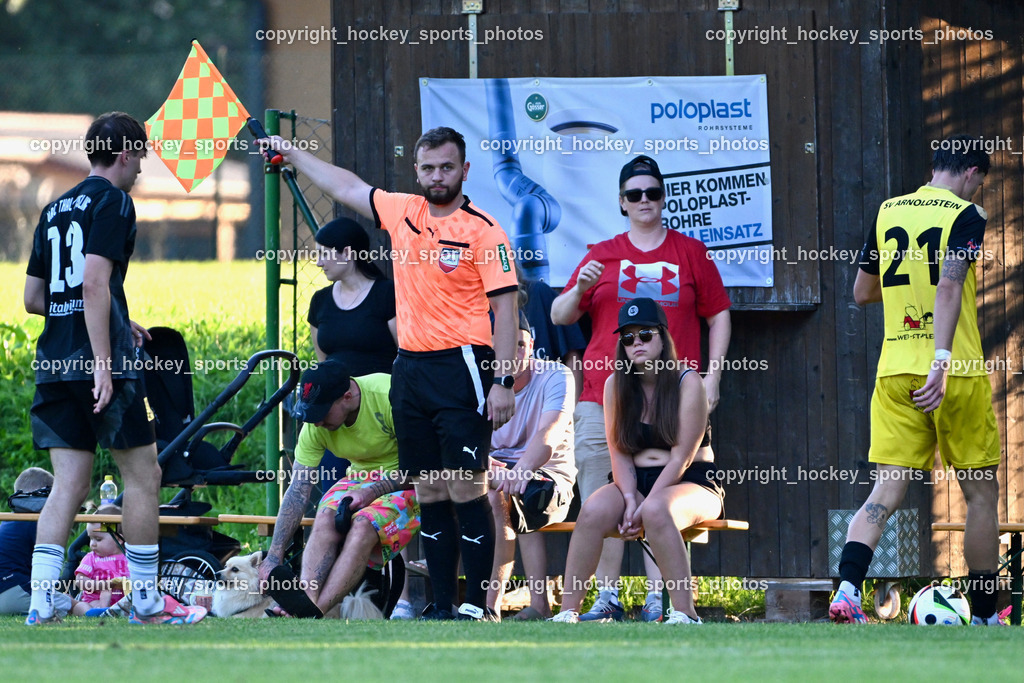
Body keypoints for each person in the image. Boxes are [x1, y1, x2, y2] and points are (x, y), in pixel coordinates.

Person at [264, 126, 519, 620]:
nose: (437, 176)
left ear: (464, 170)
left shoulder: (485, 230)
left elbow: (506, 312)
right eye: (428, 168)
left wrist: (503, 382)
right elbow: (346, 186)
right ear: (417, 171)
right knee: (428, 488)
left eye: (447, 167)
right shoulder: (404, 211)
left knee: (466, 486)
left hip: (463, 364)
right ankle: (441, 605)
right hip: (410, 369)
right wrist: (293, 153)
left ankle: (476, 606)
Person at [23, 112, 205, 625]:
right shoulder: (115, 201)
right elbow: (94, 284)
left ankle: (42, 602)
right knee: (145, 476)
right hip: (102, 369)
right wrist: (105, 363)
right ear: (126, 153)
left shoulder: (55, 207)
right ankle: (146, 601)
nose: (142, 168)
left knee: (67, 486)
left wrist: (120, 321)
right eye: (142, 156)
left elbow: (35, 298)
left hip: (55, 364)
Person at [550, 155, 731, 621]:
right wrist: (577, 289)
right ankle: (601, 599)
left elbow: (719, 313)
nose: (644, 200)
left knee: (659, 509)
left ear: (664, 197)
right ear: (621, 202)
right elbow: (560, 316)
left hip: (671, 396)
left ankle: (665, 603)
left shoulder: (691, 251)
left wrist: (713, 375)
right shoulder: (600, 253)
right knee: (599, 499)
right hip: (602, 395)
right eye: (635, 194)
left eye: (652, 192)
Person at [832, 135, 1003, 626]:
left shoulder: (889, 211)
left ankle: (847, 590)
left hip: (895, 369)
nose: (979, 193)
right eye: (981, 184)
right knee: (980, 494)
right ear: (972, 173)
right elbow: (949, 284)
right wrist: (942, 360)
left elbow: (863, 291)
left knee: (884, 490)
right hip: (954, 372)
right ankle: (988, 617)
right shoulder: (966, 215)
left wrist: (910, 300)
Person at [550, 298, 725, 624]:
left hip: (690, 480)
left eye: (645, 335)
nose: (636, 344)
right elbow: (619, 452)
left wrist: (645, 505)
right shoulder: (615, 385)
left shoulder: (688, 382)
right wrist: (630, 499)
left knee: (658, 510)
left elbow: (682, 457)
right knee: (592, 509)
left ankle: (686, 614)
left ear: (662, 337)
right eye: (628, 338)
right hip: (633, 480)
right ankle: (567, 613)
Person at [259, 359, 418, 617]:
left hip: (410, 480)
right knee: (324, 517)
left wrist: (372, 492)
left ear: (347, 396)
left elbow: (423, 467)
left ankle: (314, 612)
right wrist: (273, 556)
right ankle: (305, 599)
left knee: (364, 524)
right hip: (358, 478)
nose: (317, 423)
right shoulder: (315, 424)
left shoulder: (389, 395)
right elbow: (298, 489)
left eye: (321, 413)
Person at [486, 313, 576, 620]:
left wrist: (517, 473)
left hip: (549, 478)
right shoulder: (480, 381)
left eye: (521, 344)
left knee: (503, 495)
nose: (514, 353)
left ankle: (489, 608)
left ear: (532, 344)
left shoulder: (556, 375)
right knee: (443, 488)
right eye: (506, 345)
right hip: (496, 475)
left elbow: (547, 436)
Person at [308, 216, 397, 369]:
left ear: (347, 253)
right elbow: (322, 366)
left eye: (324, 254)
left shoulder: (387, 294)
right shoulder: (320, 300)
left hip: (380, 391)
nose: (319, 263)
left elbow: (406, 358)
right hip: (336, 392)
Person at [0, 468, 65, 616]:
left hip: (7, 589)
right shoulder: (36, 522)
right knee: (67, 602)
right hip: (13, 593)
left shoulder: (10, 521)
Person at [71, 505, 130, 615]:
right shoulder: (91, 558)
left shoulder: (129, 557)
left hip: (122, 602)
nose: (92, 544)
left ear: (118, 539)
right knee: (83, 606)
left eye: (98, 539)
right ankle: (90, 610)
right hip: (94, 600)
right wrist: (100, 585)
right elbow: (80, 579)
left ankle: (107, 611)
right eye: (91, 538)